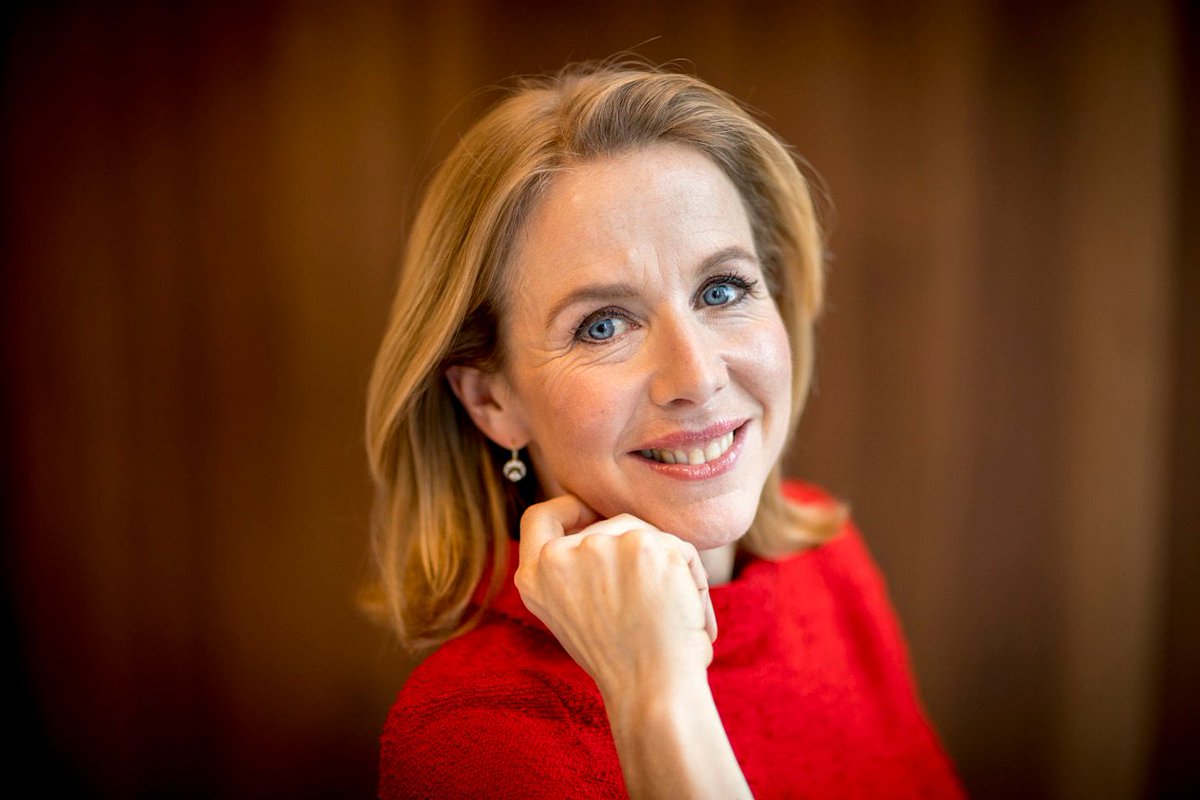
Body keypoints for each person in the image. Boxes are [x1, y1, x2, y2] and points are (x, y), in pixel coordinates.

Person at [365, 60, 963, 798]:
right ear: (491, 400)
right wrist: (657, 694)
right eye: (603, 325)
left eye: (723, 289)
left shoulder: (826, 562)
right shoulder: (471, 734)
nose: (697, 376)